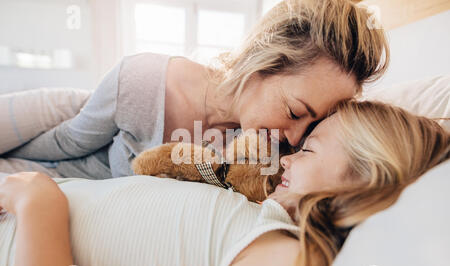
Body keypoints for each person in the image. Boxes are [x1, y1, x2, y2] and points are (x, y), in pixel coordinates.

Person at [0, 100, 448, 266]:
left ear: (363, 183)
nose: (285, 159)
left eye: (308, 150)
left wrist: (40, 206)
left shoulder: (290, 263)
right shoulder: (264, 220)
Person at [0, 0, 388, 179]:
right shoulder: (143, 82)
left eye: (312, 125)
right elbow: (69, 143)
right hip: (74, 146)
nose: (295, 137)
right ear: (263, 62)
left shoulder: (268, 154)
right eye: (294, 112)